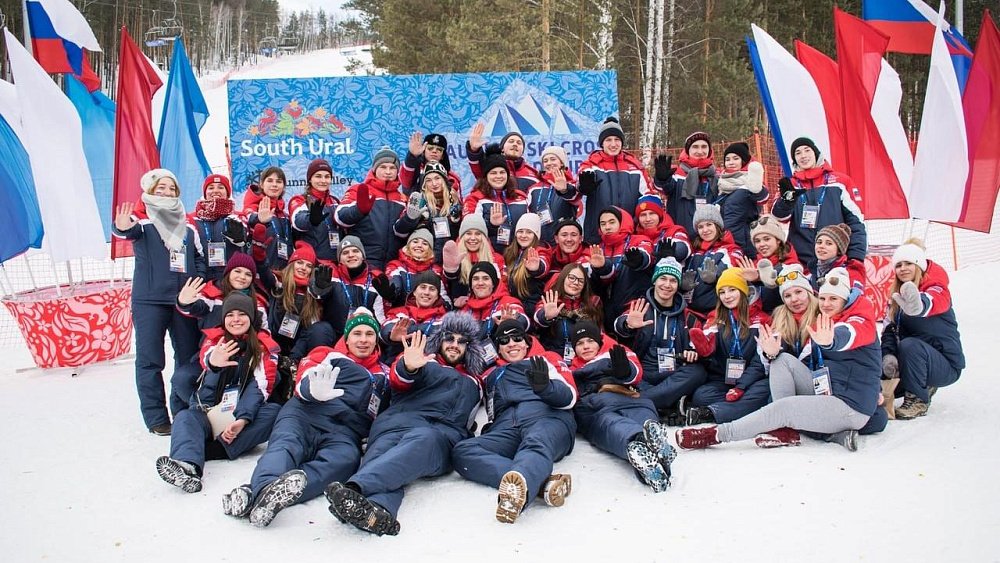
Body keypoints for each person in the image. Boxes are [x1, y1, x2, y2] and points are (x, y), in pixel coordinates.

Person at [676, 267, 882, 452]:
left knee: (783, 409)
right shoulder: (813, 318)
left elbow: (852, 334)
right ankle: (790, 430)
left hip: (848, 402)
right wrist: (769, 353)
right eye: (824, 299)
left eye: (833, 299)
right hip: (826, 390)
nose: (827, 304)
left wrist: (832, 340)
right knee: (781, 360)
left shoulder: (854, 319)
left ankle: (716, 434)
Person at [222, 308, 390, 527]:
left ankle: (259, 494)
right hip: (305, 413)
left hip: (343, 431)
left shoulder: (383, 374)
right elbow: (305, 376)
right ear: (346, 338)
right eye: (357, 333)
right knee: (286, 447)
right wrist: (313, 390)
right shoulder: (327, 354)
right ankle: (263, 489)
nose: (363, 340)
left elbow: (385, 411)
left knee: (346, 460)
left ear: (376, 339)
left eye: (369, 334)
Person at [325, 312, 486, 536]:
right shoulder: (420, 360)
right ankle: (378, 512)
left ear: (469, 348)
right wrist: (408, 367)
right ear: (440, 340)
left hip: (437, 435)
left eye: (462, 342)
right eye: (449, 338)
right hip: (394, 424)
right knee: (385, 460)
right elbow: (398, 380)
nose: (454, 345)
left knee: (421, 442)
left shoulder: (475, 381)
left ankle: (354, 490)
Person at [452, 320, 578, 523]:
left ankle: (517, 493)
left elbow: (570, 397)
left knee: (535, 442)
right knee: (462, 451)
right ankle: (537, 482)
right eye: (504, 340)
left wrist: (546, 388)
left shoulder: (546, 359)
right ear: (498, 348)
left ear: (526, 343)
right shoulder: (490, 374)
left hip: (548, 418)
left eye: (517, 338)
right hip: (507, 427)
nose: (512, 343)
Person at [155, 294, 280, 493]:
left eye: (242, 314)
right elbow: (207, 358)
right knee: (185, 417)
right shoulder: (215, 340)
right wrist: (214, 363)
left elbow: (260, 386)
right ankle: (188, 467)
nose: (236, 319)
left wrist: (243, 420)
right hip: (209, 413)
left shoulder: (264, 348)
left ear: (252, 318)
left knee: (273, 413)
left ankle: (208, 449)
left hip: (237, 416)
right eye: (230, 315)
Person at [112, 168, 203, 436]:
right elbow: (124, 230)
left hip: (182, 300)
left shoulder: (188, 227)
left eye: (171, 188)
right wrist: (121, 226)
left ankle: (184, 409)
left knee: (188, 357)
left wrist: (195, 281)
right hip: (149, 301)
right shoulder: (142, 222)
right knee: (151, 360)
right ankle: (156, 417)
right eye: (160, 188)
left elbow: (198, 259)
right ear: (151, 191)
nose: (166, 192)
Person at [568, 321, 677, 493]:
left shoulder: (615, 351)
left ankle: (651, 445)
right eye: (579, 343)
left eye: (590, 341)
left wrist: (625, 372)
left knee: (643, 416)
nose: (586, 346)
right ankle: (640, 442)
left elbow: (636, 371)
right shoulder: (572, 368)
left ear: (599, 340)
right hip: (597, 406)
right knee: (611, 425)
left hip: (627, 396)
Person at [171, 253, 270, 414]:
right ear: (228, 272)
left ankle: (237, 412)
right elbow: (195, 308)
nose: (242, 277)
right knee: (182, 379)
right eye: (237, 271)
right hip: (212, 354)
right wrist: (183, 301)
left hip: (244, 358)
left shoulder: (257, 302)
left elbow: (265, 331)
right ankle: (200, 412)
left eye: (248, 274)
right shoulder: (212, 294)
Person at [613, 258, 707, 421]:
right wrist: (628, 324)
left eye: (672, 280)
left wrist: (692, 351)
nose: (667, 285)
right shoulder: (640, 307)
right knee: (624, 374)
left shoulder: (688, 316)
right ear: (655, 280)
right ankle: (668, 401)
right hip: (644, 373)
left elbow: (697, 342)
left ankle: (639, 402)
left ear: (678, 285)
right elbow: (618, 326)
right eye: (663, 278)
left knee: (698, 372)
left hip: (673, 372)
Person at [881, 240, 964, 419]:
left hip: (946, 364)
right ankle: (921, 383)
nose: (903, 268)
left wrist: (920, 305)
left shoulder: (936, 288)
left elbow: (934, 301)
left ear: (919, 265)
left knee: (910, 345)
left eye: (909, 263)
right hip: (915, 362)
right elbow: (889, 330)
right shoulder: (896, 298)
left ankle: (918, 399)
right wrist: (888, 355)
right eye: (899, 265)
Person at [684, 269, 772, 426]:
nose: (727, 296)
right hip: (725, 379)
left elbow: (761, 362)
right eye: (722, 292)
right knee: (701, 396)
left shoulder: (762, 320)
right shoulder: (716, 317)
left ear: (744, 291)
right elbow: (705, 339)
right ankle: (741, 408)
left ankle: (711, 413)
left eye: (732, 290)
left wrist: (741, 387)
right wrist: (703, 349)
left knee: (764, 391)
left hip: (752, 379)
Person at [771, 137, 866, 266]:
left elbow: (856, 222)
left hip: (836, 260)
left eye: (807, 150)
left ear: (815, 153)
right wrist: (786, 201)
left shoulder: (840, 182)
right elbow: (779, 217)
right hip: (800, 262)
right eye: (797, 153)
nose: (803, 156)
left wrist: (856, 256)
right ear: (794, 159)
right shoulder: (791, 185)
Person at [258, 242, 335, 400]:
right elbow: (263, 270)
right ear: (291, 264)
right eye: (299, 262)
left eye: (308, 266)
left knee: (321, 327)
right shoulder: (278, 283)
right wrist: (259, 251)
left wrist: (320, 291)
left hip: (297, 349)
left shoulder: (313, 294)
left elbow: (310, 329)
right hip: (275, 341)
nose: (303, 268)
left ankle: (297, 369)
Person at [577, 117, 655, 245]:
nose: (613, 144)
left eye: (617, 140)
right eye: (608, 140)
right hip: (598, 235)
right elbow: (577, 187)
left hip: (630, 234)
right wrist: (583, 187)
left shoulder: (635, 167)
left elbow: (648, 197)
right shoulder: (591, 164)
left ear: (622, 142)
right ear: (602, 143)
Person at [335, 147, 407, 270]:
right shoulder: (359, 189)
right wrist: (358, 210)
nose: (388, 171)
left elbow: (403, 232)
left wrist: (411, 219)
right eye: (383, 167)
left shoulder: (403, 198)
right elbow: (339, 218)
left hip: (394, 264)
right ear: (374, 169)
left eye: (392, 168)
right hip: (364, 261)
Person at [589, 207, 653, 332]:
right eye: (603, 224)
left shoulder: (638, 240)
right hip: (605, 312)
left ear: (622, 222)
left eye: (612, 222)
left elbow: (647, 255)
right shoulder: (597, 249)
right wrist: (601, 268)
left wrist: (640, 259)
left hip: (633, 309)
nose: (607, 227)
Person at [680, 204, 743, 319]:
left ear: (718, 226)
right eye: (700, 227)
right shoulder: (694, 252)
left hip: (717, 312)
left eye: (709, 224)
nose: (705, 230)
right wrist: (682, 286)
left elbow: (733, 265)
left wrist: (716, 276)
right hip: (690, 311)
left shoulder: (730, 249)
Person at [318, 236, 388, 340]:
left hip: (363, 338)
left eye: (355, 251)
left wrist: (390, 297)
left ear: (363, 256)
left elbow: (380, 319)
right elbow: (315, 296)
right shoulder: (329, 273)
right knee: (319, 329)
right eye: (345, 253)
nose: (351, 255)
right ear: (339, 259)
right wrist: (319, 288)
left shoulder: (376, 279)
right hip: (333, 335)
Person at [462, 148, 530, 252]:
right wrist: (491, 225)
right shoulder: (475, 198)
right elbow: (470, 231)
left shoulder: (521, 197)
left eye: (502, 172)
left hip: (519, 256)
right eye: (493, 173)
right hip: (490, 257)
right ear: (486, 176)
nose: (498, 176)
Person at [393, 161, 462, 262]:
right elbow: (398, 231)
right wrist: (410, 219)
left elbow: (458, 236)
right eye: (429, 180)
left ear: (444, 180)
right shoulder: (418, 200)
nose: (434, 184)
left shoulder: (455, 201)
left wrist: (456, 222)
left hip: (446, 260)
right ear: (424, 183)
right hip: (422, 260)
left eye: (437, 178)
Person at [653, 131, 717, 240]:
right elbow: (664, 188)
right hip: (681, 235)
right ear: (688, 150)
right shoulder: (677, 173)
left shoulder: (715, 175)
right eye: (695, 147)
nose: (700, 151)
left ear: (709, 150)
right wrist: (662, 178)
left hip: (709, 236)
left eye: (704, 147)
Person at [733, 215, 802, 314]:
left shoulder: (791, 265)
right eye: (757, 241)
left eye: (766, 239)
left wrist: (759, 279)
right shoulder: (754, 265)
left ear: (778, 240)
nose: (761, 244)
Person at [534, 263, 604, 360]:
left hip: (586, 360)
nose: (576, 283)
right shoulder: (551, 302)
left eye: (581, 281)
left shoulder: (593, 305)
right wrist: (547, 317)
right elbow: (538, 318)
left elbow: (601, 335)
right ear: (563, 279)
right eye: (572, 278)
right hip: (555, 360)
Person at [380, 270, 449, 362]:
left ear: (437, 296)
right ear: (414, 292)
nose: (426, 292)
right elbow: (385, 327)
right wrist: (391, 336)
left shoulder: (445, 318)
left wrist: (410, 331)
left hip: (430, 365)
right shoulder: (399, 312)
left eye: (432, 289)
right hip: (395, 364)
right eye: (423, 287)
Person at [715, 142, 769, 258]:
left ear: (743, 161)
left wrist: (757, 189)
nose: (731, 162)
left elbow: (763, 198)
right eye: (727, 159)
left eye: (735, 158)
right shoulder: (721, 183)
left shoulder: (749, 181)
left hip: (745, 243)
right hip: (725, 240)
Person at [191, 173, 247, 282]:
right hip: (200, 278)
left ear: (227, 193)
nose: (215, 191)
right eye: (211, 188)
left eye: (221, 187)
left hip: (231, 279)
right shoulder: (191, 218)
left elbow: (247, 241)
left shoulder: (237, 217)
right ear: (205, 193)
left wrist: (241, 237)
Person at [460, 261, 530, 344]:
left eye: (486, 278)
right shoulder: (466, 308)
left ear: (493, 283)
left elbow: (523, 320)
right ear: (471, 285)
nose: (480, 283)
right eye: (475, 279)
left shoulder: (507, 302)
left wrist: (510, 323)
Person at [442, 214, 505, 302]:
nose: (473, 238)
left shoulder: (496, 259)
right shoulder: (454, 257)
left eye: (478, 234)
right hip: (461, 311)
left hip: (489, 307)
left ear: (484, 237)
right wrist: (450, 272)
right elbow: (445, 288)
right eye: (468, 233)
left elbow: (503, 287)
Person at [289, 158, 341, 263]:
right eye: (318, 176)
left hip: (337, 263)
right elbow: (297, 221)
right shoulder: (300, 200)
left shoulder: (335, 201)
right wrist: (310, 220)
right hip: (313, 264)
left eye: (327, 177)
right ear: (310, 179)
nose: (323, 180)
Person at [383, 228, 449, 309]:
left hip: (430, 316)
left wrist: (445, 306)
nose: (419, 246)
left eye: (425, 243)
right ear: (408, 245)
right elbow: (394, 284)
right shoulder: (396, 266)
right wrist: (391, 292)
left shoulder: (436, 271)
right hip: (402, 315)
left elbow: (444, 298)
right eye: (415, 242)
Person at [527, 145, 581, 244]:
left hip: (564, 244)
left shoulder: (572, 184)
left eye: (553, 159)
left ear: (561, 163)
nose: (549, 163)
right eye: (545, 161)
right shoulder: (534, 188)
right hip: (540, 244)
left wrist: (564, 190)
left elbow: (574, 197)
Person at [244, 167, 292, 271]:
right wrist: (259, 219)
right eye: (270, 181)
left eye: (279, 182)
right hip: (261, 273)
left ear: (283, 187)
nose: (274, 185)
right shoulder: (253, 207)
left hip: (285, 274)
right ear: (261, 184)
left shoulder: (285, 216)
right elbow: (250, 218)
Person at [466, 124, 540, 191]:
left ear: (522, 152)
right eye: (511, 141)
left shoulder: (533, 174)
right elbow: (476, 164)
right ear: (502, 148)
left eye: (519, 143)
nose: (515, 144)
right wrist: (474, 150)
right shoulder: (490, 165)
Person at [503, 213, 550, 315]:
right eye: (520, 231)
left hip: (530, 309)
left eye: (529, 232)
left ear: (536, 235)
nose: (523, 235)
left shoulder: (540, 250)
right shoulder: (512, 252)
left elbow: (544, 264)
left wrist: (537, 268)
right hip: (513, 305)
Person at [807, 222, 865, 293]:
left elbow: (857, 300)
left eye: (829, 243)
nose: (821, 246)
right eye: (819, 242)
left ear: (839, 250)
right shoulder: (811, 273)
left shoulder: (850, 274)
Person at [634, 195, 690, 265]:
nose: (648, 219)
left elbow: (683, 246)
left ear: (660, 215)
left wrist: (675, 251)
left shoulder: (674, 230)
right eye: (643, 215)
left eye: (652, 214)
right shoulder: (635, 238)